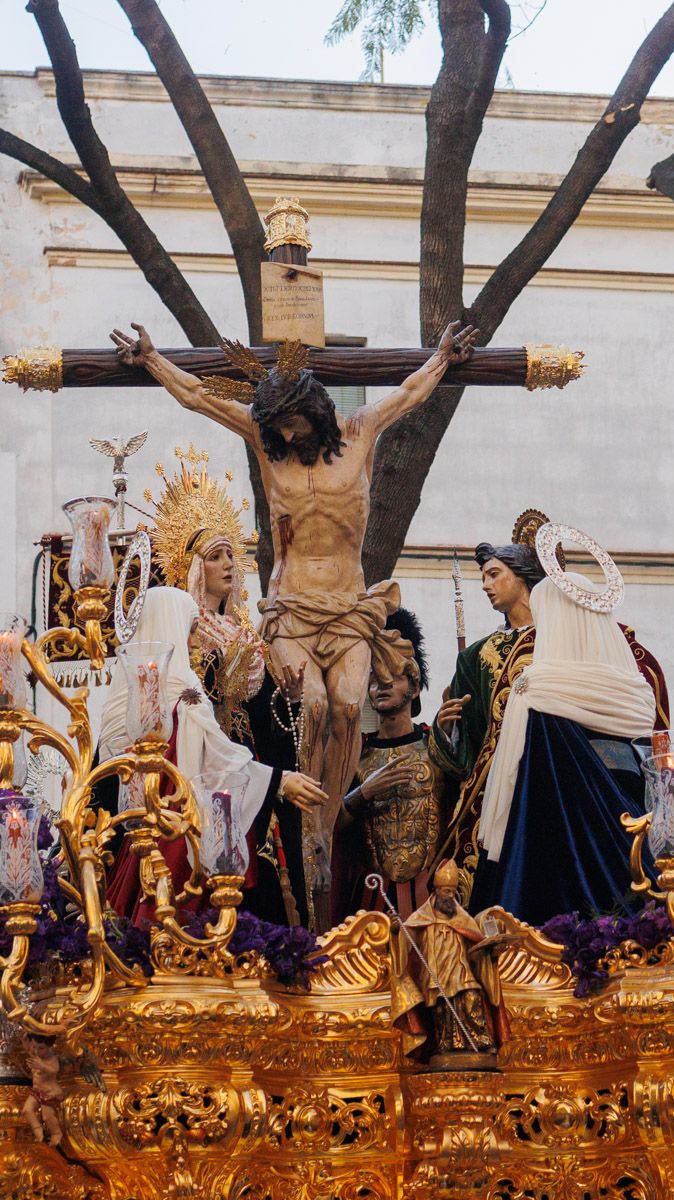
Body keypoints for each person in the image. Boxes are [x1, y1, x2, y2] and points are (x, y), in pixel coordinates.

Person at [111, 320, 475, 929]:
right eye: (276, 427)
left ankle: (329, 819)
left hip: (349, 604)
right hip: (291, 608)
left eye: (292, 425)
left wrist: (441, 357)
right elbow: (203, 398)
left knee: (346, 703)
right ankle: (311, 828)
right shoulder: (265, 442)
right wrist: (152, 360)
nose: (283, 435)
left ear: (315, 412)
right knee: (309, 707)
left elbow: (410, 393)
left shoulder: (360, 434)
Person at [432, 512, 669, 900]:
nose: (486, 585)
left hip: (583, 775)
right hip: (500, 784)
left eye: (494, 574)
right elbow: (469, 745)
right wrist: (447, 730)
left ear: (523, 575)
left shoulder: (577, 633)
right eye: (483, 577)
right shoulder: (477, 657)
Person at [145, 445, 316, 926]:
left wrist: (288, 700)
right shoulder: (184, 635)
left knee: (258, 877)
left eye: (231, 555)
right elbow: (188, 706)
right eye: (215, 556)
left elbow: (264, 720)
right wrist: (220, 669)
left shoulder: (245, 634)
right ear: (196, 568)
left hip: (248, 767)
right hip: (203, 766)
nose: (228, 565)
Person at [96, 587, 326, 922]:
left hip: (140, 842)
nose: (193, 643)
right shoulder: (184, 694)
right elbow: (216, 761)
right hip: (175, 838)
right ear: (169, 627)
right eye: (189, 631)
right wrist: (279, 780)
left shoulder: (125, 697)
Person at [340, 610, 452, 917]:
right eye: (375, 679)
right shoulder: (355, 753)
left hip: (433, 896)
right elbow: (329, 825)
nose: (382, 685)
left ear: (414, 688)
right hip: (372, 898)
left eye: (394, 677)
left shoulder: (436, 746)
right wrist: (363, 793)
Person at [391, 860, 503, 1068]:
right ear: (435, 892)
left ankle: (482, 1041)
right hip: (436, 974)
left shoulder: (463, 919)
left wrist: (490, 949)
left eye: (452, 892)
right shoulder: (421, 918)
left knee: (472, 998)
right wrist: (397, 931)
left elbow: (477, 946)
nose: (449, 897)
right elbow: (406, 942)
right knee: (443, 1010)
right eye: (445, 892)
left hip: (461, 971)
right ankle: (447, 1045)